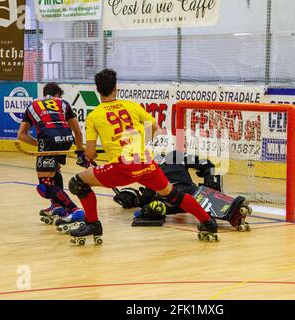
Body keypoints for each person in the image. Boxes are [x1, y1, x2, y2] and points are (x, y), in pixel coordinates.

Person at [67, 68, 219, 245]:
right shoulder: (132, 106)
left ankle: (93, 224)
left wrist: (84, 154)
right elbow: (156, 130)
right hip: (145, 162)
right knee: (173, 194)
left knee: (77, 183)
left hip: (122, 167)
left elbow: (91, 153)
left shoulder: (94, 116)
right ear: (116, 87)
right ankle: (208, 222)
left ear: (98, 89)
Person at [113, 151, 252, 231]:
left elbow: (204, 163)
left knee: (186, 195)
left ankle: (231, 209)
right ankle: (233, 211)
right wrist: (132, 199)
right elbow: (147, 192)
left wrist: (209, 177)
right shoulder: (153, 164)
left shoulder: (172, 156)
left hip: (180, 191)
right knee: (155, 206)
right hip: (172, 196)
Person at [17, 82, 90, 227]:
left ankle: (74, 210)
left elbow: (22, 135)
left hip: (48, 137)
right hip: (67, 137)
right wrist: (80, 152)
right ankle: (57, 206)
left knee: (44, 185)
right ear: (58, 95)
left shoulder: (33, 105)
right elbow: (77, 131)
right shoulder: (63, 103)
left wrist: (42, 145)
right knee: (54, 171)